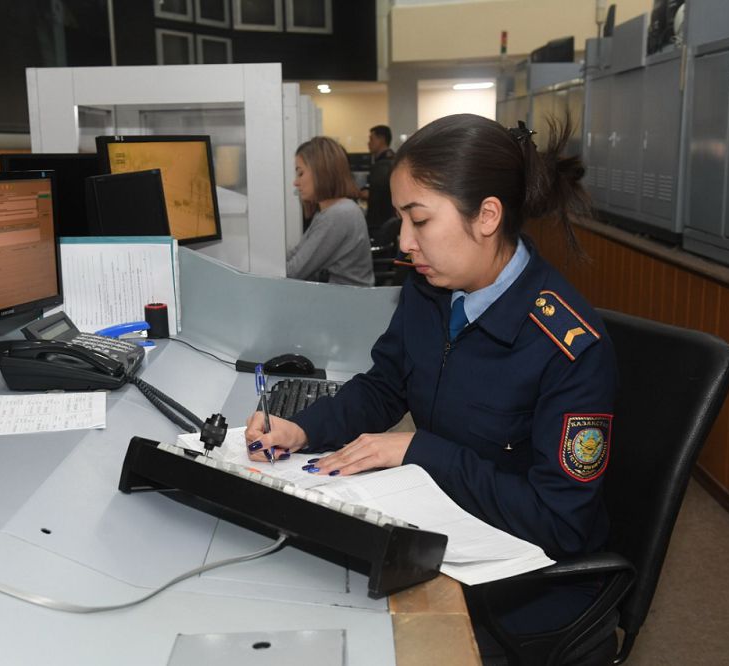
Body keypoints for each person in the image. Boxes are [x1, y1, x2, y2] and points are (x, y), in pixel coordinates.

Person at [246, 114, 617, 654]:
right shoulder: (430, 288)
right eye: (401, 219)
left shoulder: (568, 347)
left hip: (524, 581)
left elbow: (559, 522)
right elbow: (385, 386)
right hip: (438, 528)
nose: (404, 242)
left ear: (487, 216)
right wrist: (302, 428)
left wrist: (420, 452)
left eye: (419, 220)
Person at [286, 136, 375, 287]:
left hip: (346, 299)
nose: (296, 182)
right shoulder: (330, 211)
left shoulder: (338, 215)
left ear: (321, 172)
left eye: (300, 173)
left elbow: (294, 272)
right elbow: (296, 254)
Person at [362, 124, 396, 232]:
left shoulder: (382, 165)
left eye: (371, 139)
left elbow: (376, 195)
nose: (368, 143)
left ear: (381, 139)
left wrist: (357, 193)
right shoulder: (394, 159)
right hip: (389, 220)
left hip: (380, 222)